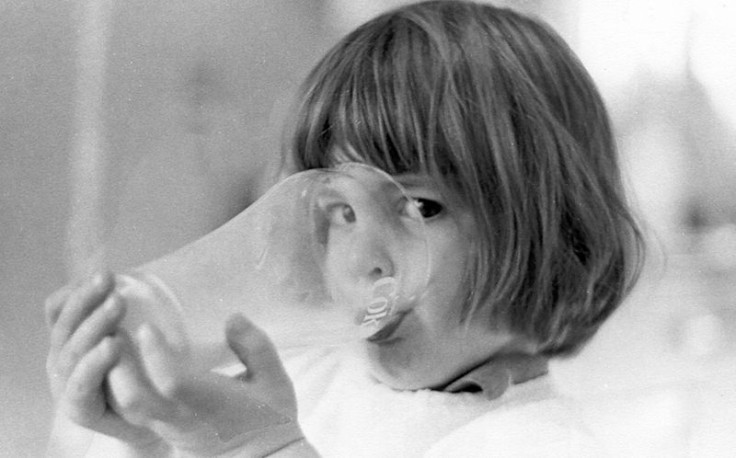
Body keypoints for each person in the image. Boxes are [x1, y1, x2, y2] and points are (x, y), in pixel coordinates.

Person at [45, 1, 645, 456]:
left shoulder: (537, 443)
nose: (367, 259)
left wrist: (266, 449)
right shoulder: (305, 379)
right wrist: (151, 434)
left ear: (555, 232)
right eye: (342, 213)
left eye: (420, 207)